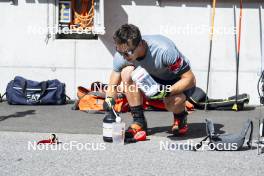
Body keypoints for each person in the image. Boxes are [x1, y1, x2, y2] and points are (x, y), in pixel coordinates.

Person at [104, 24, 196, 136]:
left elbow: (190, 80)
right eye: (119, 51)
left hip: (176, 82)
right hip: (152, 81)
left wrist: (166, 91)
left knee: (172, 102)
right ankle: (139, 121)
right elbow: (112, 86)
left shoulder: (164, 50)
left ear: (140, 44)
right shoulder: (122, 55)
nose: (124, 56)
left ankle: (180, 117)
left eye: (128, 52)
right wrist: (109, 105)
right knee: (126, 72)